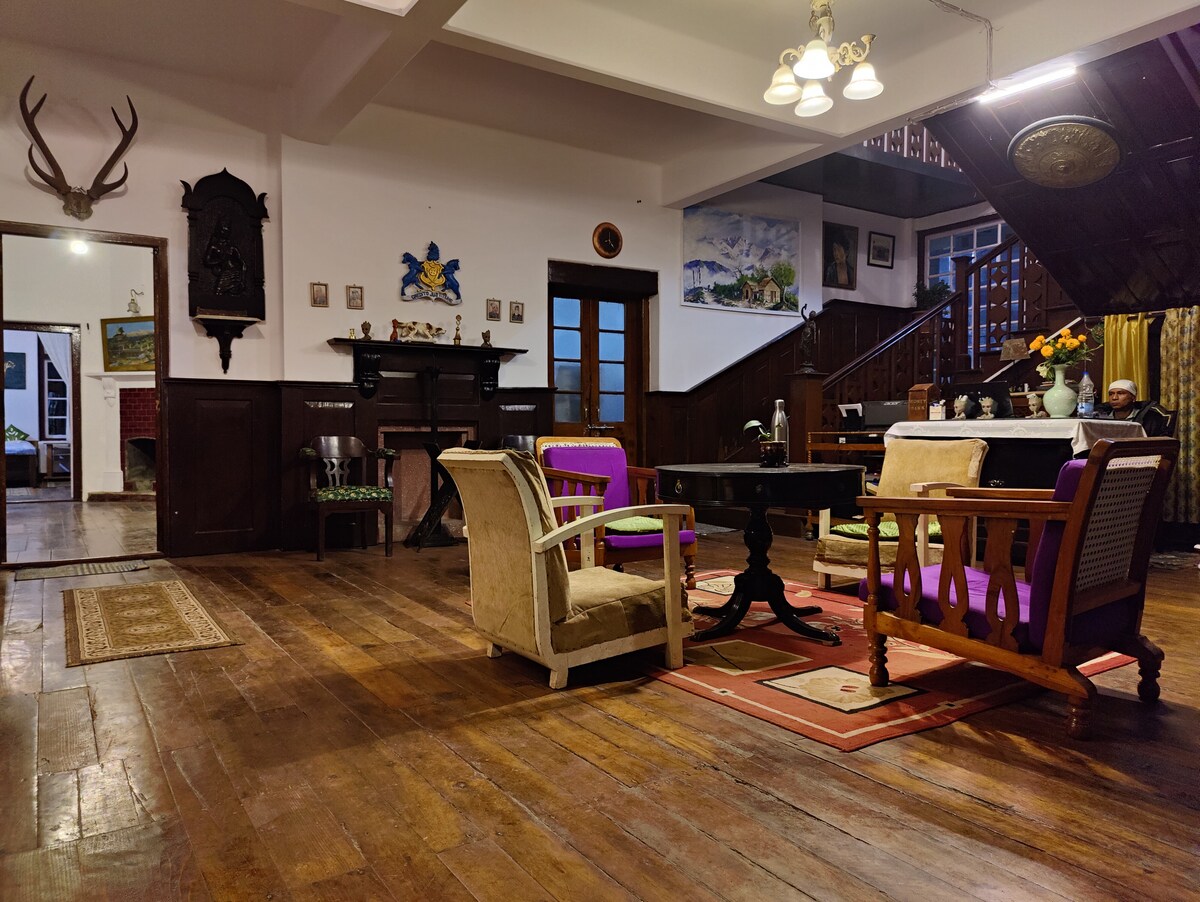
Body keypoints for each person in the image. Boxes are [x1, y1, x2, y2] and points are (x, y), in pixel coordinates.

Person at [1093, 379, 1174, 436]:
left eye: (1120, 393)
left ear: (1133, 398)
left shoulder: (1149, 417)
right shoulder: (1100, 416)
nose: (1114, 398)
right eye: (1111, 394)